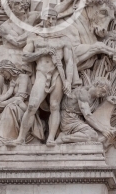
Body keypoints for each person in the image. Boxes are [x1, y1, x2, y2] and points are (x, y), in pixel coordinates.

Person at [12, 8, 76, 146]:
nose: (51, 21)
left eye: (54, 18)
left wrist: (68, 81)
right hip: (41, 73)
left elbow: (69, 61)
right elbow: (25, 56)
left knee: (54, 106)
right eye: (48, 17)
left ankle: (51, 138)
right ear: (42, 18)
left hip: (57, 74)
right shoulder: (34, 37)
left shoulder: (63, 39)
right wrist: (42, 52)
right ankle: (21, 138)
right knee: (32, 105)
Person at [0, 60, 45, 145]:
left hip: (25, 107)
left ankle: (1, 137)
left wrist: (3, 103)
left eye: (3, 72)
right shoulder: (7, 82)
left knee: (10, 107)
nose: (2, 75)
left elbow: (20, 98)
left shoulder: (23, 77)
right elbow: (4, 96)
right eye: (0, 73)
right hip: (13, 103)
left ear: (8, 69)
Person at [56, 78, 116, 145]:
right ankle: (64, 138)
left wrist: (107, 101)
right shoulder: (82, 92)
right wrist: (103, 130)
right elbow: (88, 116)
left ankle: (66, 136)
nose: (103, 95)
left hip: (78, 120)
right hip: (68, 119)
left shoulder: (95, 100)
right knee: (93, 135)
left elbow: (95, 115)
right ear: (97, 84)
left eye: (105, 93)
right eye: (103, 91)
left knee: (93, 135)